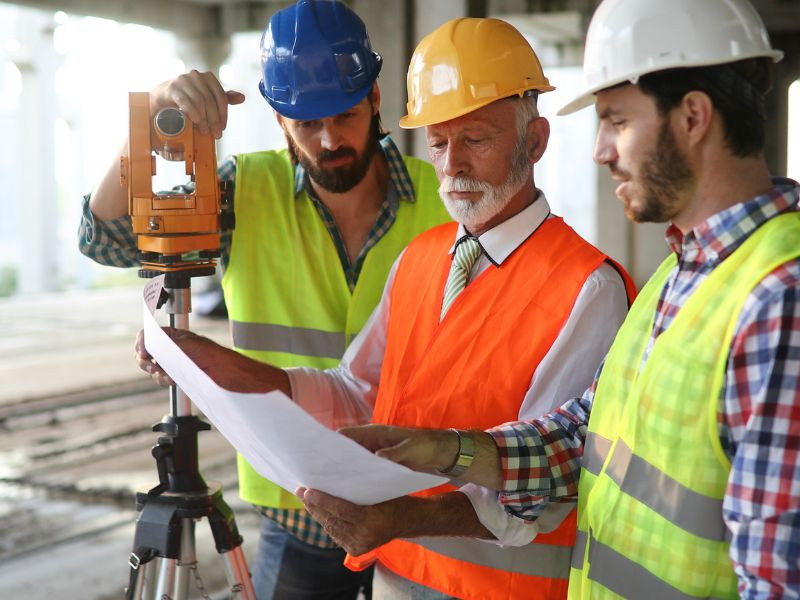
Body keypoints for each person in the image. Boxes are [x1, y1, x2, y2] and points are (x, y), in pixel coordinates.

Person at [136, 17, 635, 600]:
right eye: (440, 143)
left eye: (476, 139)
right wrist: (207, 361)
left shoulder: (587, 286)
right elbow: (357, 393)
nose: (452, 166)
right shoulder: (421, 259)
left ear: (538, 141)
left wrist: (400, 519)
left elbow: (549, 483)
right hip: (395, 579)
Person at [332, 0, 800, 597]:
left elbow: (778, 575)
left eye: (617, 121)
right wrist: (443, 450)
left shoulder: (777, 298)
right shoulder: (677, 273)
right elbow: (583, 436)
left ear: (693, 117)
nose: (602, 150)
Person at [78, 1, 453, 597]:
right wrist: (154, 120)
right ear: (279, 119)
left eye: (346, 115)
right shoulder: (241, 190)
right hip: (295, 509)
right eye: (307, 123)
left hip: (416, 507)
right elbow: (104, 238)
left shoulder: (447, 198)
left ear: (376, 100)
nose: (330, 139)